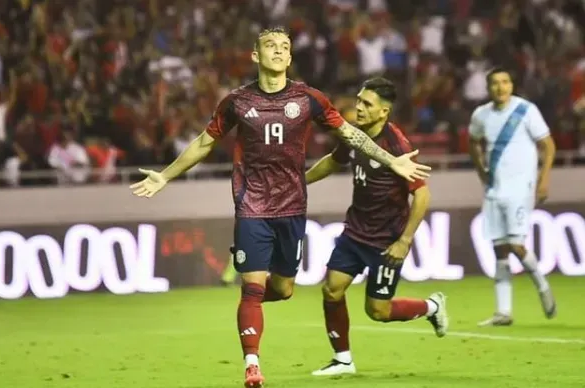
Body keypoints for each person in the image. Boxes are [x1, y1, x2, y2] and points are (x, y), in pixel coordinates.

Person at [129, 27, 431, 388]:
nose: (278, 51)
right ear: (256, 55)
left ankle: (250, 304)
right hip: (251, 204)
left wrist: (391, 160)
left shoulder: (309, 99)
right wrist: (165, 176)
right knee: (253, 287)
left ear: (290, 58)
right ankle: (252, 365)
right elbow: (203, 143)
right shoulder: (237, 102)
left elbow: (350, 135)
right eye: (270, 46)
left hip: (291, 208)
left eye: (284, 47)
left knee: (284, 288)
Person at [302, 77, 448, 376]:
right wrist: (299, 183)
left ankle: (431, 306)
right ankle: (343, 359)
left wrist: (405, 240)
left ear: (384, 111)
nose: (359, 107)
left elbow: (421, 194)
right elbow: (333, 161)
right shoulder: (353, 135)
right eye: (358, 100)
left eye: (367, 104)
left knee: (378, 311)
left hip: (385, 240)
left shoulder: (397, 146)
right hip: (355, 232)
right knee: (332, 290)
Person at [468, 67, 557, 326]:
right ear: (488, 87)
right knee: (499, 248)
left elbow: (548, 145)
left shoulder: (525, 110)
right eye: (495, 83)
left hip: (521, 187)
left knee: (516, 245)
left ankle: (542, 285)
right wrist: (481, 170)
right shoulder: (481, 115)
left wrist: (544, 178)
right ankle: (503, 312)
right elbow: (473, 141)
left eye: (505, 82)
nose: (500, 87)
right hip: (495, 188)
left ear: (512, 84)